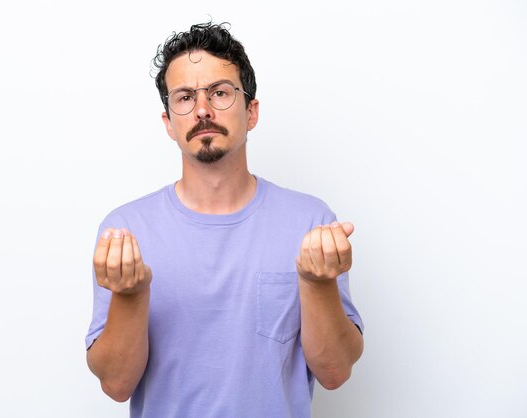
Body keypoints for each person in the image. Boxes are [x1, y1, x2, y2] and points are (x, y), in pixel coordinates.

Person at [85, 22, 364, 418]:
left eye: (219, 93)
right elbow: (116, 385)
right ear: (169, 123)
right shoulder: (125, 233)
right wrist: (131, 296)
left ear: (251, 112)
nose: (202, 110)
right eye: (184, 97)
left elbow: (335, 372)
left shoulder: (311, 223)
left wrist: (315, 284)